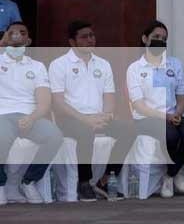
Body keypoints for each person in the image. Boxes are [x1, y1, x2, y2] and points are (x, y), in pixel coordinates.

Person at [49, 20, 136, 201]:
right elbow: (58, 103)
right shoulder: (59, 64)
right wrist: (85, 119)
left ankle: (104, 181)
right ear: (72, 42)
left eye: (92, 36)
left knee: (129, 130)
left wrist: (106, 116)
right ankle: (84, 183)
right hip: (69, 119)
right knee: (85, 131)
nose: (90, 40)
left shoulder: (103, 64)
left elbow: (109, 97)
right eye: (84, 37)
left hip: (97, 117)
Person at [126, 20, 184, 198]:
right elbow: (138, 105)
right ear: (145, 39)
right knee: (171, 136)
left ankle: (170, 174)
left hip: (173, 115)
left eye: (164, 39)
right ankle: (175, 173)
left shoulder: (175, 64)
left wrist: (178, 113)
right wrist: (165, 116)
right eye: (156, 37)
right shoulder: (135, 68)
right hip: (146, 118)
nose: (160, 41)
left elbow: (181, 97)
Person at [0, 22, 63, 204]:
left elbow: (44, 102)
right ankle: (1, 184)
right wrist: (3, 41)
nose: (17, 36)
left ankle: (29, 181)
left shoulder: (37, 66)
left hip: (29, 116)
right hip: (2, 116)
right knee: (1, 137)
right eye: (12, 33)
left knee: (55, 136)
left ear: (28, 41)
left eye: (22, 33)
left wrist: (32, 117)